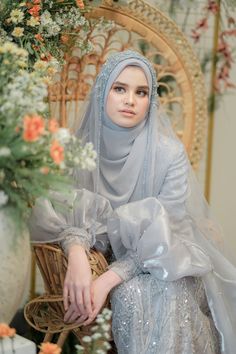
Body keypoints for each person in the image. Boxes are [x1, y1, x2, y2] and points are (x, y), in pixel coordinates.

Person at [30, 50, 236, 354]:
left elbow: (170, 231)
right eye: (120, 88)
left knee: (151, 291)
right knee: (137, 291)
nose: (130, 100)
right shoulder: (75, 149)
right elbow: (58, 207)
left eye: (141, 92)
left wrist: (106, 282)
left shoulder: (169, 154)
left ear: (150, 101)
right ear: (103, 92)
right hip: (98, 260)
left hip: (166, 259)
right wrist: (75, 251)